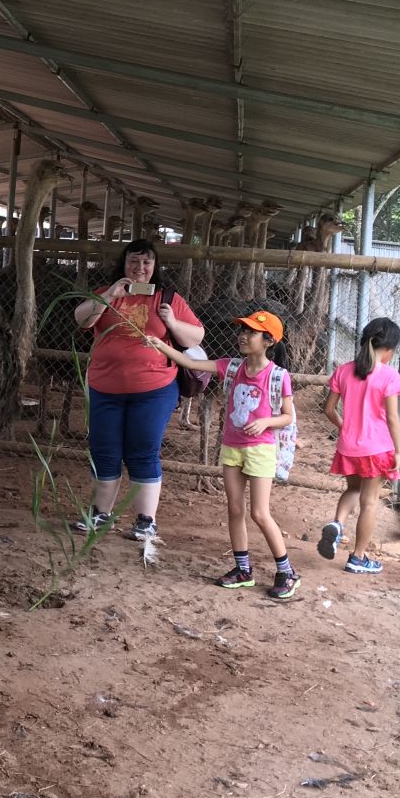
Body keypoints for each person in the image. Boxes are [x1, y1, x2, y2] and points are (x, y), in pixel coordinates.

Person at [145, 311, 299, 600]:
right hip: (232, 447)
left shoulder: (278, 376)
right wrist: (161, 345)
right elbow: (191, 363)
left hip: (261, 449)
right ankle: (243, 569)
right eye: (242, 330)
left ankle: (286, 571)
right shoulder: (231, 367)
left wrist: (266, 422)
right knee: (235, 509)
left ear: (268, 341)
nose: (243, 336)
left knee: (259, 513)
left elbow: (288, 416)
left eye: (251, 332)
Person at [72, 239, 205, 541]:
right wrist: (110, 295)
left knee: (143, 448)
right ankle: (100, 514)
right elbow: (82, 320)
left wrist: (172, 322)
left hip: (154, 388)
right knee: (104, 449)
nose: (140, 268)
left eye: (147, 262)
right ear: (124, 263)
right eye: (134, 261)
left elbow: (196, 337)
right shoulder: (106, 293)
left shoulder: (167, 298)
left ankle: (146, 520)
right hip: (105, 386)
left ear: (155, 266)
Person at [318, 317, 400, 574]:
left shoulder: (344, 370)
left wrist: (344, 427)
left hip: (349, 447)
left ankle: (337, 524)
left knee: (353, 489)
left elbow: (328, 409)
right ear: (389, 349)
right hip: (376, 448)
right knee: (369, 501)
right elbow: (392, 417)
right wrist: (399, 450)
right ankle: (358, 557)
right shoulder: (389, 375)